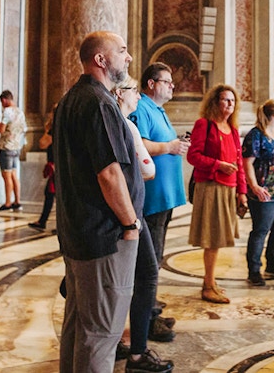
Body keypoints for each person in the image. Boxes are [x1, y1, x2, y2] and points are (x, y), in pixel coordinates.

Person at [54, 31, 171, 373]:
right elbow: (109, 173)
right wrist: (130, 223)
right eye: (122, 51)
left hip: (80, 231)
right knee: (102, 333)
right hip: (105, 236)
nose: (129, 57)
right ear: (101, 60)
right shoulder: (99, 102)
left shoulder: (71, 98)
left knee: (79, 327)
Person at [112, 75, 174, 372]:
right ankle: (137, 353)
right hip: (129, 215)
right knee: (144, 274)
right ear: (120, 93)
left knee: (126, 278)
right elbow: (146, 169)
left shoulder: (119, 122)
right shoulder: (127, 125)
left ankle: (121, 344)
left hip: (127, 212)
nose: (137, 95)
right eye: (133, 90)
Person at [129, 62, 189, 341]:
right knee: (149, 265)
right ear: (151, 83)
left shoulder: (158, 109)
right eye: (167, 81)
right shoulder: (141, 107)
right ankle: (148, 321)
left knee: (157, 258)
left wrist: (174, 145)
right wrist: (170, 147)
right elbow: (140, 145)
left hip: (164, 198)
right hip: (151, 200)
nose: (172, 86)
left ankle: (151, 309)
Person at [187, 84, 247, 304]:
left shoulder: (232, 129)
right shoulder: (205, 125)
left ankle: (210, 280)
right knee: (212, 238)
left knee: (219, 238)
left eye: (232, 101)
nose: (229, 104)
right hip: (210, 187)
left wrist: (242, 192)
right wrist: (218, 165)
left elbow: (239, 163)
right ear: (215, 102)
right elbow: (193, 156)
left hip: (228, 189)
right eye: (225, 100)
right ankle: (208, 285)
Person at [242, 99, 274, 286]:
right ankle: (254, 270)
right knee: (261, 230)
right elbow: (247, 162)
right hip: (264, 190)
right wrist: (254, 186)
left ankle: (273, 264)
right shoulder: (256, 135)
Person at [0, 90, 26, 211]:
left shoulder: (7, 111)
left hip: (6, 147)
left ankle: (7, 203)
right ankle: (17, 201)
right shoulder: (20, 112)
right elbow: (23, 128)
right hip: (16, 147)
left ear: (4, 100)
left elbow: (2, 129)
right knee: (13, 174)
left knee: (6, 176)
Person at [29, 105, 57, 231]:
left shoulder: (54, 129)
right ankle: (43, 221)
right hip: (57, 166)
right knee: (51, 194)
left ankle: (45, 222)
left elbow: (42, 143)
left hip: (56, 167)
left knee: (53, 195)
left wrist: (47, 129)